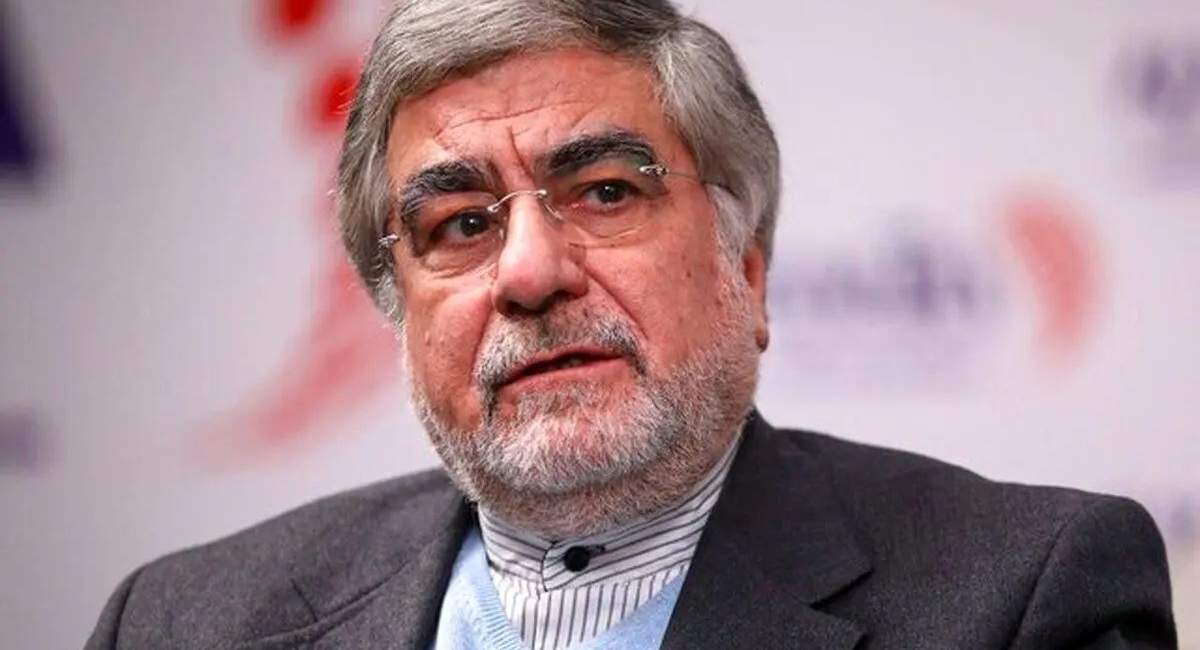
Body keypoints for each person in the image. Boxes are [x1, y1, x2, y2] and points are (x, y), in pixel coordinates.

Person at [86, 1, 1176, 648]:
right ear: (397, 308)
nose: (529, 272)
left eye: (606, 191)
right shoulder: (183, 622)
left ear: (746, 267)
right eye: (460, 223)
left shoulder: (1024, 599)